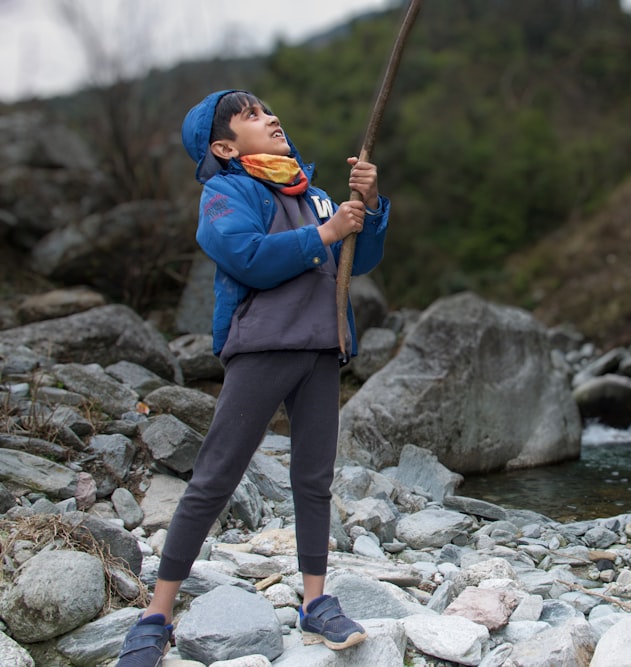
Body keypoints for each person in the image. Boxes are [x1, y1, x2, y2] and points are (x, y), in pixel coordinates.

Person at [116, 89, 389, 666]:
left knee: (313, 480)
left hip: (322, 347)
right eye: (252, 116)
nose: (270, 118)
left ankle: (315, 603)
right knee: (215, 477)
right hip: (263, 346)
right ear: (223, 146)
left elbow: (356, 260)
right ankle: (157, 613)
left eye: (267, 110)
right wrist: (327, 233)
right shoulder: (227, 191)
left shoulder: (312, 193)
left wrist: (367, 203)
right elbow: (244, 255)